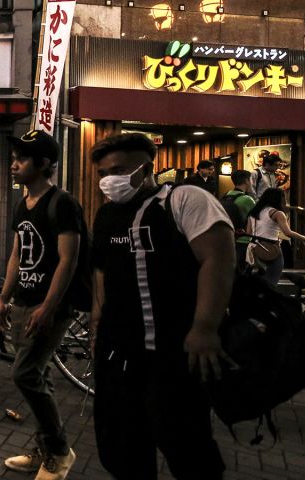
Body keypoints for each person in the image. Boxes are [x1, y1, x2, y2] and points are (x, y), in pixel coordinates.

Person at [88, 133, 234, 480]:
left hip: (173, 358)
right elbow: (101, 272)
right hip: (118, 357)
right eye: (102, 173)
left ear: (147, 168)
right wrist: (97, 326)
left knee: (186, 448)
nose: (108, 179)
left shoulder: (184, 200)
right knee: (122, 450)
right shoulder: (106, 215)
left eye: (119, 169)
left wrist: (204, 327)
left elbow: (219, 258)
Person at [0, 130, 81, 479]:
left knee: (25, 373)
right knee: (38, 374)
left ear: (44, 164)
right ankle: (46, 449)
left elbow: (68, 260)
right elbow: (17, 253)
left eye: (22, 158)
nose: (13, 163)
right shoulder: (22, 203)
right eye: (14, 156)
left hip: (50, 305)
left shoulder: (62, 203)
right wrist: (3, 298)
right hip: (23, 302)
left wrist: (48, 306)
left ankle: (59, 453)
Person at [245, 188, 305, 287]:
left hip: (254, 248)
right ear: (279, 198)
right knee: (272, 279)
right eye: (283, 197)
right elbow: (287, 232)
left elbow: (249, 232)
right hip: (271, 249)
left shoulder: (253, 212)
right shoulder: (277, 213)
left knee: (258, 279)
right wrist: (302, 237)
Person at [221, 170, 257, 268]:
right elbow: (257, 219)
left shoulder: (226, 195)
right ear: (246, 181)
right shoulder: (247, 199)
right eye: (251, 180)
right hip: (243, 240)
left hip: (228, 238)